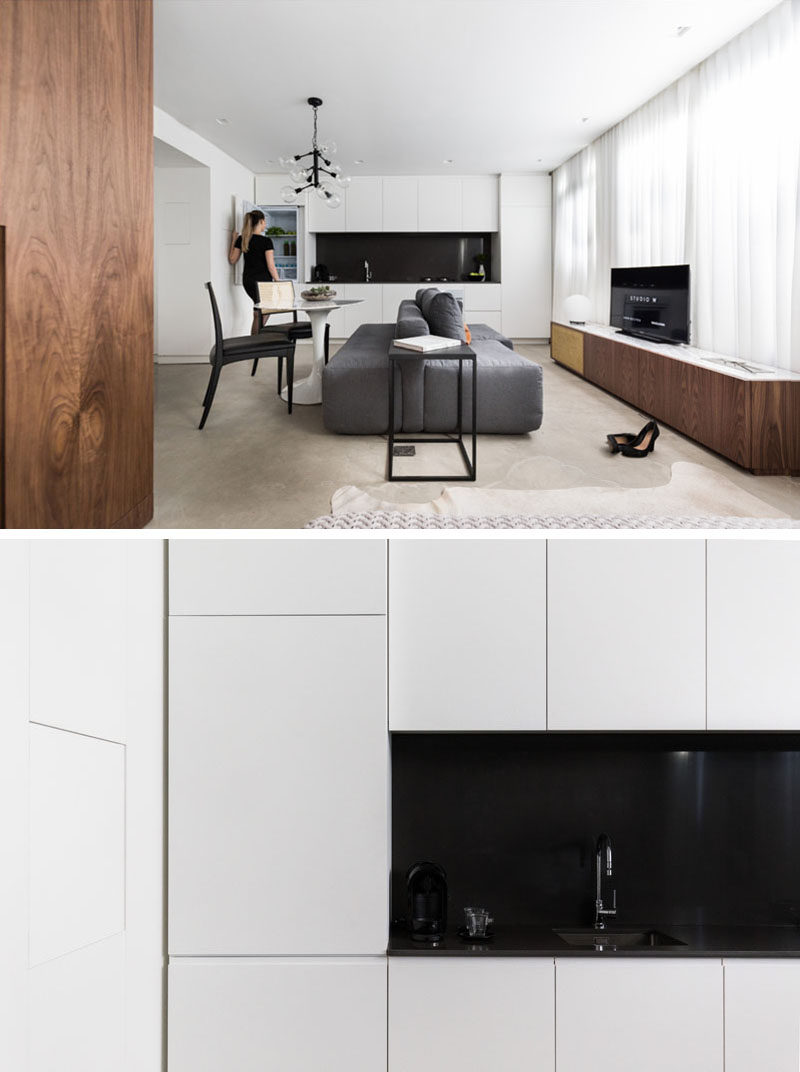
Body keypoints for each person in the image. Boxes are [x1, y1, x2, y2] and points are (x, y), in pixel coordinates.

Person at [228, 210, 279, 334]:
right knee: (262, 312)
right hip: (263, 283)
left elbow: (232, 259)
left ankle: (256, 340)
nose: (265, 225)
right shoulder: (266, 241)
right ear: (261, 221)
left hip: (248, 281)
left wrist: (234, 240)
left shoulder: (242, 239)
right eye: (264, 222)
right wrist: (278, 281)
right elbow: (271, 265)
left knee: (260, 311)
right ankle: (255, 342)